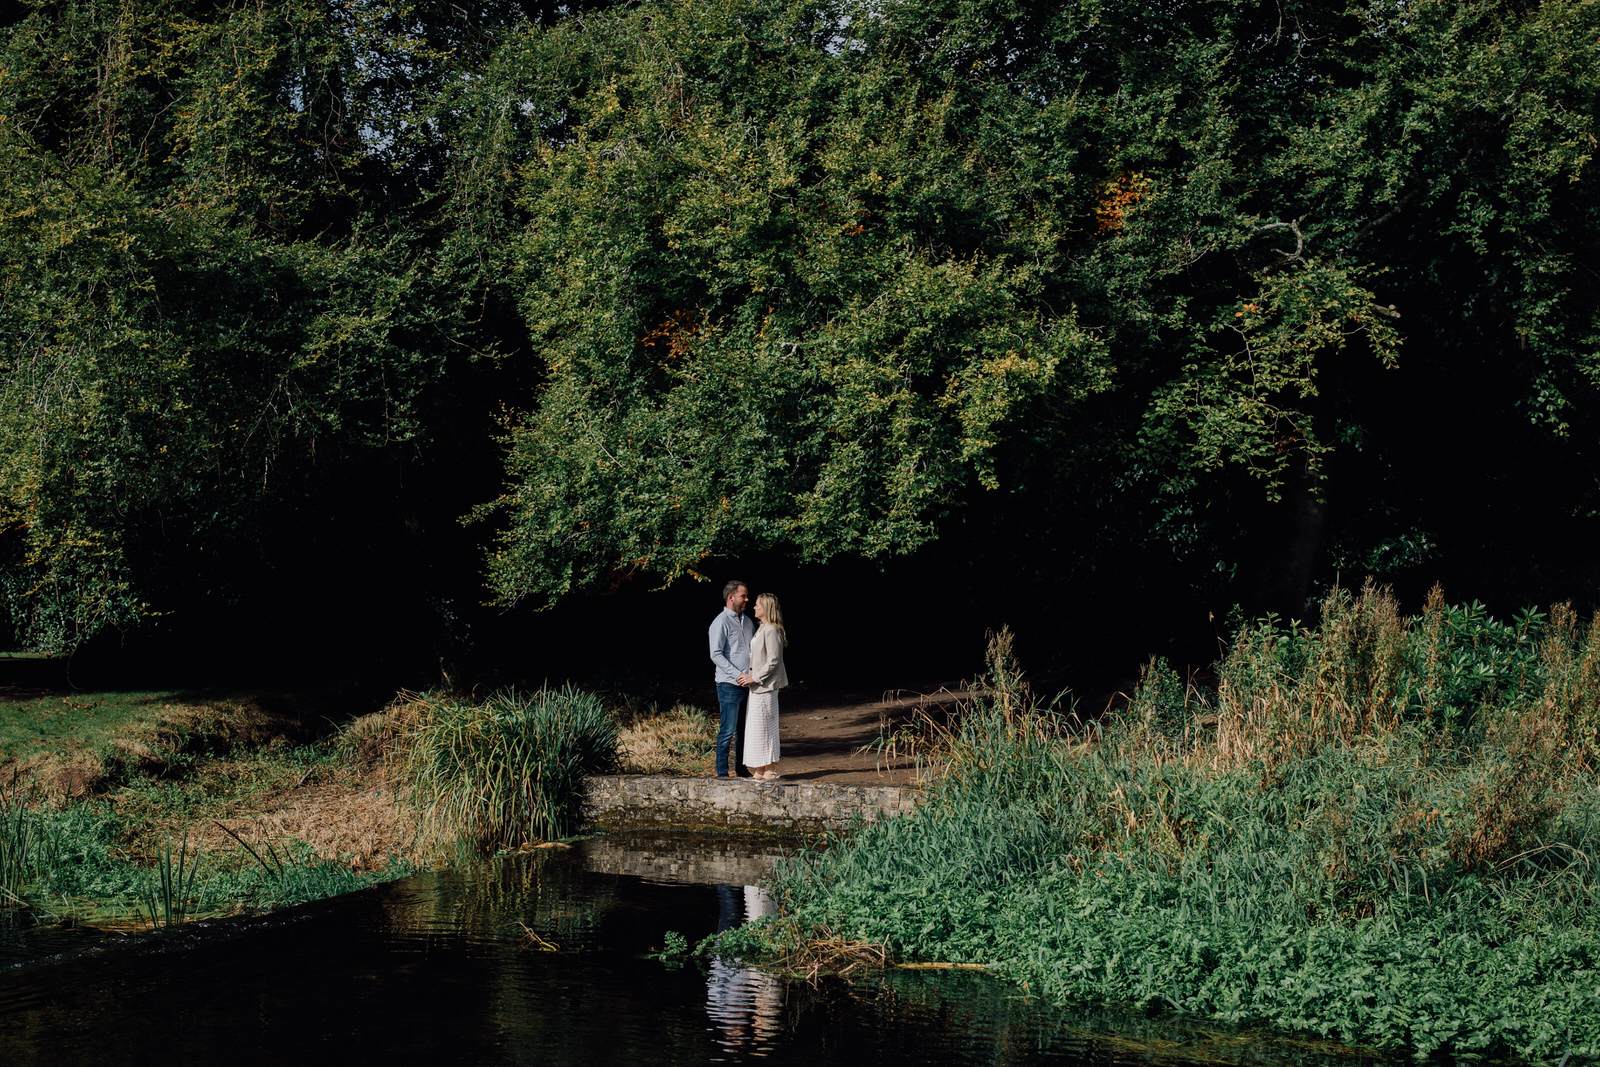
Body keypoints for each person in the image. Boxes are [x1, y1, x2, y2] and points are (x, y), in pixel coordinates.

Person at [708, 579, 756, 778]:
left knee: (744, 729)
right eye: (743, 596)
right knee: (727, 730)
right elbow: (716, 654)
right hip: (729, 684)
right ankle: (722, 772)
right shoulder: (720, 622)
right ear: (731, 597)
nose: (747, 599)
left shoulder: (748, 621)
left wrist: (753, 675)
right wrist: (738, 675)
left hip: (748, 684)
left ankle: (741, 768)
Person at [743, 593, 788, 779]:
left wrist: (754, 677)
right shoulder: (762, 628)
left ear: (766, 608)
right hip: (758, 688)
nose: (754, 607)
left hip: (766, 686)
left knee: (765, 727)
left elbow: (773, 660)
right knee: (757, 728)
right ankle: (760, 768)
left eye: (757, 604)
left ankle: (769, 769)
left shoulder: (771, 630)